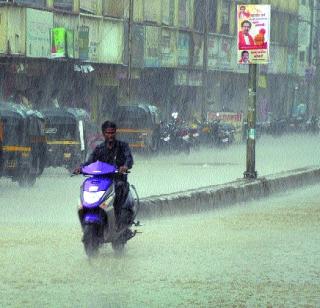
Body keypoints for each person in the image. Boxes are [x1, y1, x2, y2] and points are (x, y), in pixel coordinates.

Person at [74, 120, 134, 228]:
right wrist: (81, 168)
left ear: (115, 133)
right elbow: (90, 161)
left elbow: (129, 159)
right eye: (108, 133)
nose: (110, 135)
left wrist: (124, 166)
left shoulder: (123, 146)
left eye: (112, 133)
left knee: (120, 189)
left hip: (117, 180)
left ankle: (118, 220)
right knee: (86, 186)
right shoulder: (99, 149)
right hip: (102, 181)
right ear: (103, 133)